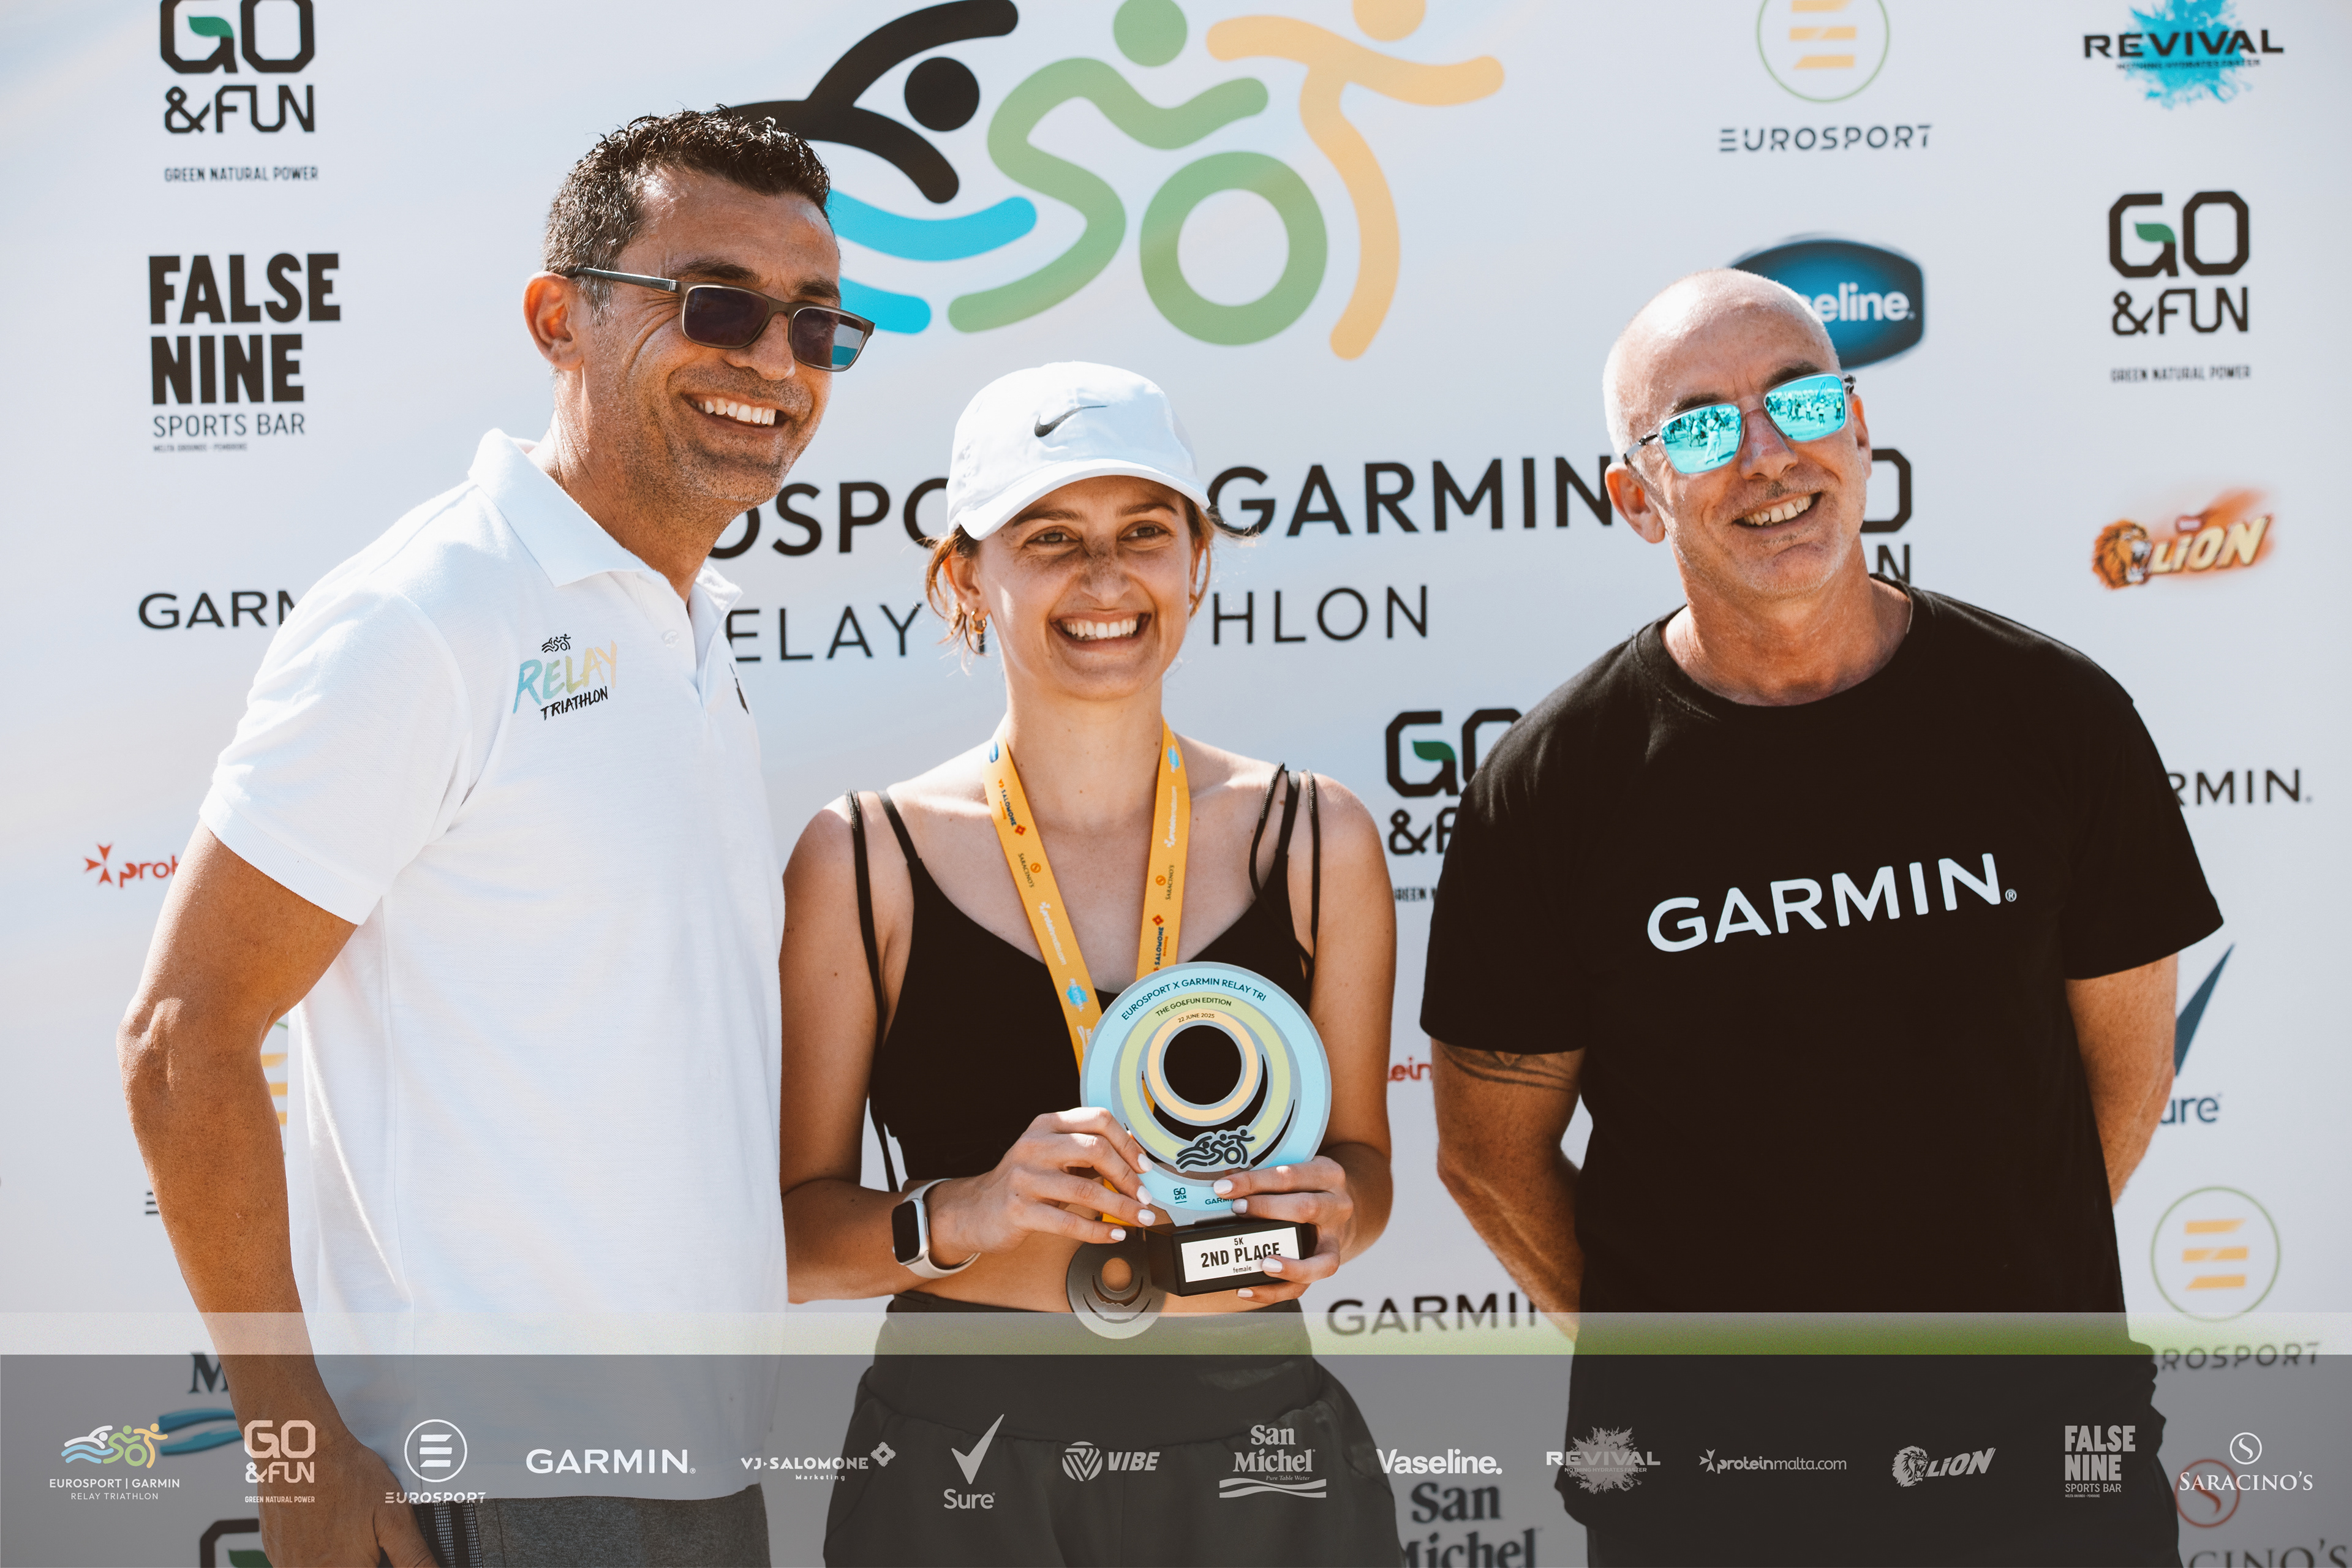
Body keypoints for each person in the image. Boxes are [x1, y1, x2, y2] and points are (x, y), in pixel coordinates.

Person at [116, 110, 874, 1568]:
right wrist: (292, 1445)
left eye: (815, 324)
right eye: (717, 305)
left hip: (697, 1471)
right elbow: (180, 1036)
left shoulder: (686, 623)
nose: (774, 360)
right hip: (499, 1480)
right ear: (558, 319)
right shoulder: (430, 613)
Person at [1423, 270, 2219, 1565]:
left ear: (1858, 429)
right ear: (1636, 497)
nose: (1766, 454)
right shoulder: (1553, 788)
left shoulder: (2054, 718)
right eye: (1699, 427)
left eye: (1798, 401)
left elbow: (2127, 1075)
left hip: (2045, 1474)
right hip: (1708, 1502)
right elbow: (1488, 1158)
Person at [776, 362, 1403, 1566]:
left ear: (1197, 559)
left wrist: (1340, 1213)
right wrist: (971, 1208)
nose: (1107, 577)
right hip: (962, 1459)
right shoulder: (862, 855)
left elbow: (1364, 1168)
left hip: (1258, 1451)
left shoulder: (1317, 838)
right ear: (968, 574)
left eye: (1145, 532)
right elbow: (798, 1241)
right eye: (1052, 537)